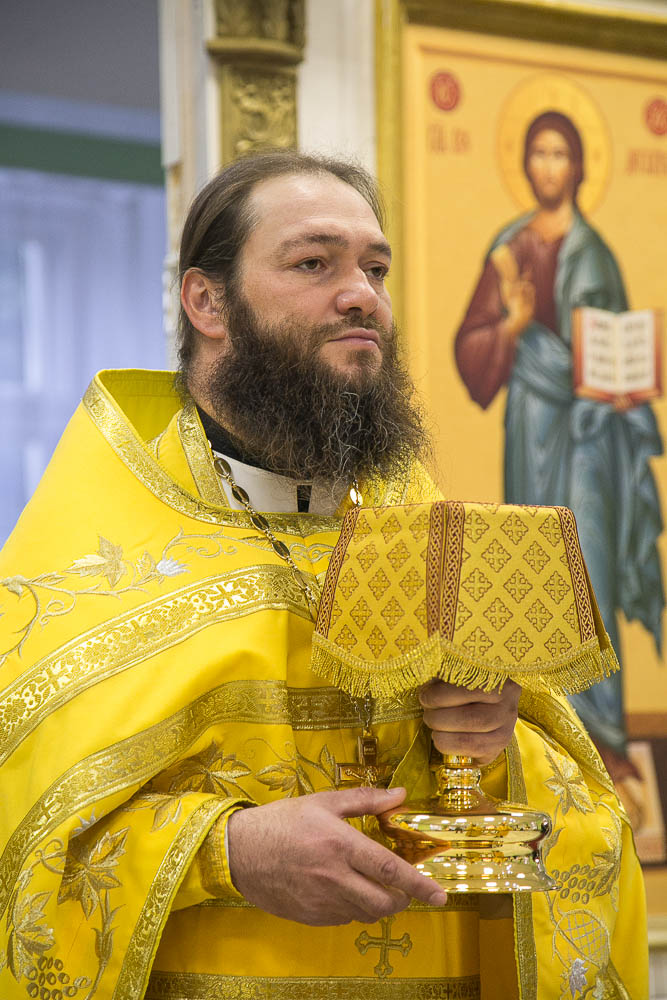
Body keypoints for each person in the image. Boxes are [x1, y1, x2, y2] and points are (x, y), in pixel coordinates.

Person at [0, 151, 646, 999]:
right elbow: (26, 830)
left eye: (375, 269)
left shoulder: (422, 527)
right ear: (206, 302)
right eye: (313, 263)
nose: (361, 296)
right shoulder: (96, 545)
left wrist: (491, 748)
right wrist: (225, 854)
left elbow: (581, 823)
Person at [455, 110, 664, 782]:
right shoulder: (508, 248)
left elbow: (618, 346)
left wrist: (629, 388)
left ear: (577, 167)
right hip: (534, 430)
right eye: (538, 154)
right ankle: (542, 732)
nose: (548, 167)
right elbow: (470, 346)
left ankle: (602, 736)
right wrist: (511, 326)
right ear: (525, 164)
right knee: (539, 572)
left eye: (560, 155)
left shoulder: (595, 252)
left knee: (590, 570)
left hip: (591, 438)